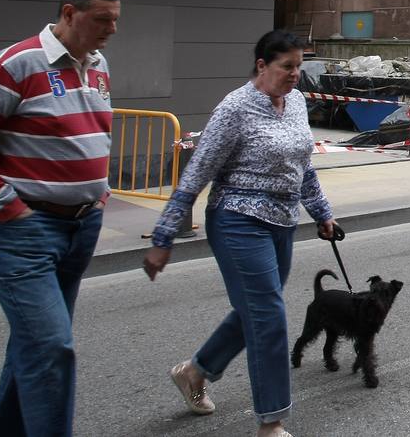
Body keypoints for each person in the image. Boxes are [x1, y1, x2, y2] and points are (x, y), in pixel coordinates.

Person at [143, 30, 337, 437]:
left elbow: (303, 165)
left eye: (299, 66)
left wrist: (322, 214)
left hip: (282, 222)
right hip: (237, 220)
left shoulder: (297, 102)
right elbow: (197, 171)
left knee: (256, 309)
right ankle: (272, 423)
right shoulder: (234, 108)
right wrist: (164, 236)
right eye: (287, 66)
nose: (295, 74)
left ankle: (194, 372)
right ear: (262, 65)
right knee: (268, 317)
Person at [0, 0, 121, 437]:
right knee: (50, 348)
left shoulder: (99, 64)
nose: (112, 30)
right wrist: (6, 205)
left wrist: (98, 193)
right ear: (68, 14)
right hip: (25, 229)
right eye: (102, 20)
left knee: (35, 347)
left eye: (116, 20)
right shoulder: (16, 64)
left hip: (81, 226)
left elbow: (94, 131)